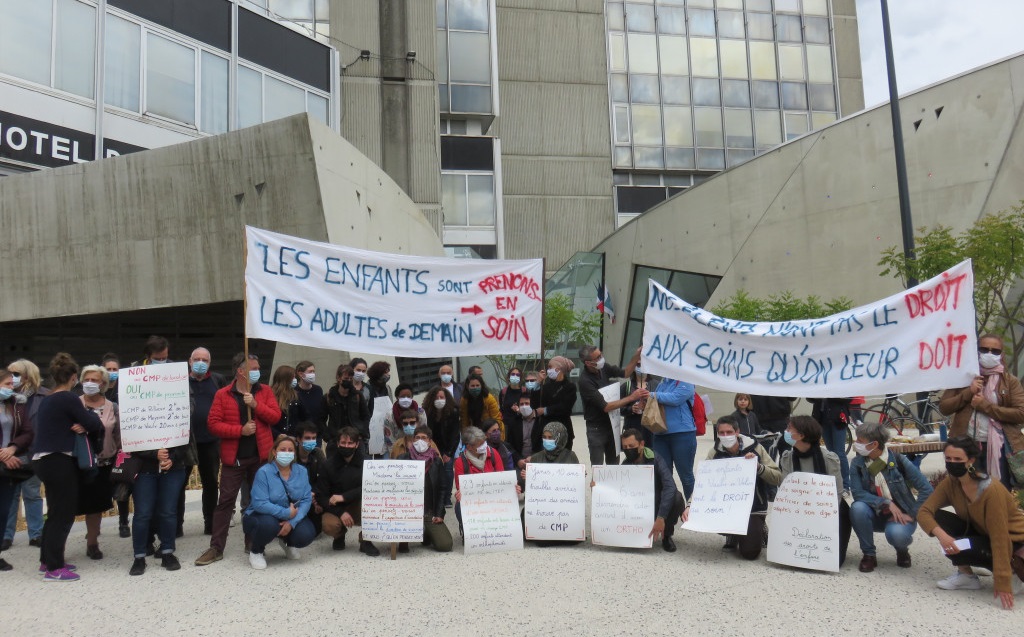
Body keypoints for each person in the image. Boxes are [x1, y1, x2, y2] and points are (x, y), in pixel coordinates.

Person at [917, 436, 1024, 609]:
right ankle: (966, 576)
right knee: (939, 519)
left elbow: (1000, 538)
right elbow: (924, 511)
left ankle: (1013, 573)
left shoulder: (990, 490)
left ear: (971, 460)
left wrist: (1002, 582)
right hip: (983, 534)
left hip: (1014, 541)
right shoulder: (951, 483)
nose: (952, 463)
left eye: (958, 459)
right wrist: (943, 536)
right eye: (948, 458)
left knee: (972, 546)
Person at [195, 352, 281, 566]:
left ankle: (252, 541)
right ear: (240, 371)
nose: (257, 371)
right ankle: (216, 547)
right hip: (235, 459)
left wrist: (256, 406)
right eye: (253, 368)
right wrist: (239, 431)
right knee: (225, 502)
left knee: (256, 502)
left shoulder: (265, 391)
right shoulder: (223, 394)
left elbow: (275, 416)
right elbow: (213, 424)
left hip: (260, 458)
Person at [32, 353, 103, 581]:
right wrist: (84, 423)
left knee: (54, 512)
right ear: (74, 377)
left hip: (43, 460)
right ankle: (54, 568)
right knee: (63, 514)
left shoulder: (48, 399)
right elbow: (93, 423)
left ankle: (47, 560)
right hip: (59, 460)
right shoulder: (69, 398)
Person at [939, 333, 1024, 488]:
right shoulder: (963, 377)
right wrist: (968, 392)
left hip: (1000, 448)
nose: (989, 354)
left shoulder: (1010, 381)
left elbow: (1020, 414)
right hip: (967, 446)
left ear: (1001, 354)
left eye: (995, 351)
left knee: (998, 491)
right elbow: (944, 407)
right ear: (976, 351)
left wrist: (985, 406)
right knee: (969, 490)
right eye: (984, 349)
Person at [690, 416, 781, 559]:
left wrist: (758, 467)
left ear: (737, 432)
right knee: (702, 516)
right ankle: (732, 534)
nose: (725, 436)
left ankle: (759, 527)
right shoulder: (714, 453)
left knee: (750, 553)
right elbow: (703, 483)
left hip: (753, 508)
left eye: (729, 432)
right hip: (726, 506)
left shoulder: (756, 448)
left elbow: (776, 477)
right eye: (722, 433)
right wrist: (690, 505)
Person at [849, 421, 933, 573]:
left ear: (874, 444)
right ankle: (869, 554)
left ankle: (902, 550)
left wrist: (913, 514)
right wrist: (885, 502)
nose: (856, 444)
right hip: (874, 512)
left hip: (900, 516)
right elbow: (857, 493)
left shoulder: (899, 460)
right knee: (857, 507)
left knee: (897, 535)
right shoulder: (857, 463)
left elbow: (926, 489)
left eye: (860, 441)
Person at [778, 415, 851, 566]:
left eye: (789, 429)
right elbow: (785, 490)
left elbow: (836, 492)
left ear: (802, 435)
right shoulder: (787, 458)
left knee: (834, 561)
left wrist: (818, 514)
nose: (785, 432)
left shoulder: (829, 459)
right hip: (797, 510)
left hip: (827, 512)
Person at [241, 436, 316, 570]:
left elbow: (306, 500)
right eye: (282, 449)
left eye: (290, 450)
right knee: (269, 525)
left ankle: (287, 543)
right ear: (275, 452)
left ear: (294, 453)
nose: (286, 453)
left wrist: (292, 523)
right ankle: (256, 551)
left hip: (291, 516)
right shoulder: (263, 472)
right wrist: (286, 513)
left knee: (307, 534)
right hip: (261, 515)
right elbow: (259, 503)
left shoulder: (302, 471)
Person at [127, 427, 192, 576]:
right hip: (144, 469)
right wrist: (153, 454)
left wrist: (172, 458)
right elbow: (129, 440)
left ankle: (167, 552)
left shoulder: (178, 405)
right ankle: (139, 557)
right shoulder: (135, 407)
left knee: (168, 511)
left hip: (173, 469)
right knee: (142, 514)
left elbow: (186, 438)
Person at [615, 428, 685, 552]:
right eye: (625, 447)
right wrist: (598, 486)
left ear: (641, 444)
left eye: (631, 446)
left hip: (657, 502)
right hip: (638, 506)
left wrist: (661, 517)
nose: (628, 449)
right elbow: (616, 488)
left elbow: (670, 486)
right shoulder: (625, 464)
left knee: (676, 497)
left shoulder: (656, 459)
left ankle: (667, 535)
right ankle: (633, 532)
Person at [3, 359, 48, 551]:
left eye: (16, 374)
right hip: (11, 453)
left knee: (32, 494)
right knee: (10, 496)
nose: (12, 378)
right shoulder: (6, 398)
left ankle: (36, 534)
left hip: (35, 453)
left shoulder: (44, 396)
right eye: (10, 374)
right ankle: (6, 535)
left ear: (28, 376)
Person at [578, 345, 647, 466]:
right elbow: (606, 407)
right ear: (588, 363)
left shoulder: (603, 367)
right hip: (596, 428)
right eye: (598, 357)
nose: (602, 358)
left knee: (614, 463)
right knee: (597, 465)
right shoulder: (585, 381)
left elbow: (625, 373)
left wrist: (636, 356)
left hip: (612, 424)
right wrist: (631, 397)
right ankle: (597, 484)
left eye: (601, 354)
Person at [78, 365, 120, 560]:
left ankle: (92, 543)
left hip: (104, 464)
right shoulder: (74, 404)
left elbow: (118, 433)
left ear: (103, 383)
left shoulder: (112, 406)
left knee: (96, 506)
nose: (90, 383)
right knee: (70, 504)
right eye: (87, 379)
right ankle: (57, 545)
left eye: (95, 380)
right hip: (78, 464)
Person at [316, 426, 379, 556]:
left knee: (376, 507)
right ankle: (339, 535)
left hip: (358, 504)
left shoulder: (368, 463)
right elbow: (321, 496)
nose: (346, 446)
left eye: (350, 443)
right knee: (329, 525)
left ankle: (366, 540)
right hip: (336, 508)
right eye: (343, 443)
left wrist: (344, 497)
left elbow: (373, 488)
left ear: (357, 444)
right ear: (338, 444)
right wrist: (340, 512)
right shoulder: (328, 465)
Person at [188, 347, 229, 536]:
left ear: (210, 363)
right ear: (190, 361)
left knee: (211, 483)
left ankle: (210, 522)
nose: (200, 363)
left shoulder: (217, 380)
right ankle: (177, 524)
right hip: (185, 441)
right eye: (197, 359)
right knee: (179, 484)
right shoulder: (179, 381)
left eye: (205, 360)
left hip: (211, 440)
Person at [396, 424, 453, 553]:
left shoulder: (437, 461)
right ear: (413, 440)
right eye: (417, 438)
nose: (420, 441)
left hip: (429, 511)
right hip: (407, 512)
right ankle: (406, 536)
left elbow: (442, 489)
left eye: (424, 438)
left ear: (430, 442)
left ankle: (426, 532)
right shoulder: (402, 459)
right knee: (403, 549)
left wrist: (439, 514)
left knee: (445, 545)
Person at [0, 369, 33, 571]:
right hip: (3, 459)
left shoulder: (17, 405)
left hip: (9, 464)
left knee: (3, 510)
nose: (11, 388)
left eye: (12, 384)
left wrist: (12, 449)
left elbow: (28, 432)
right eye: (6, 384)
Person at [650, 376, 697, 501]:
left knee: (686, 476)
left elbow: (675, 398)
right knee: (663, 476)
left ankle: (692, 509)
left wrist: (650, 395)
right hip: (660, 434)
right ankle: (666, 512)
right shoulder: (662, 383)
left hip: (683, 434)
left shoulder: (686, 380)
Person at [454, 426, 506, 537]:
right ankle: (467, 529)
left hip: (494, 498)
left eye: (484, 442)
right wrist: (460, 494)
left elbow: (502, 478)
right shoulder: (460, 462)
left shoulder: (493, 454)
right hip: (474, 501)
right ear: (469, 447)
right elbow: (460, 486)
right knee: (459, 506)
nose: (484, 446)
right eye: (480, 444)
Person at [423, 385, 459, 508]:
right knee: (433, 471)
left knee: (448, 470)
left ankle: (446, 497)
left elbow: (455, 434)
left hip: (447, 446)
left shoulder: (453, 412)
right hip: (431, 446)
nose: (439, 399)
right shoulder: (426, 412)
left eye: (442, 397)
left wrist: (449, 453)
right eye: (437, 397)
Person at [809, 397, 854, 493]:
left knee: (839, 452)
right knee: (830, 453)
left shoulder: (839, 383)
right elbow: (810, 399)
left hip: (838, 418)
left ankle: (845, 485)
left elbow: (849, 398)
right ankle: (833, 482)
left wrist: (830, 393)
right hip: (821, 418)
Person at [319, 364, 369, 448]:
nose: (348, 381)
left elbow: (366, 416)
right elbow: (321, 419)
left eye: (350, 379)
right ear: (338, 378)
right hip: (335, 440)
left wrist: (362, 433)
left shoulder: (357, 396)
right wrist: (328, 437)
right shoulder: (329, 397)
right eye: (346, 379)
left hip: (355, 439)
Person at [535, 357, 578, 449]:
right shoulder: (545, 386)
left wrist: (546, 410)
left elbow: (565, 407)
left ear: (559, 369)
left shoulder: (570, 387)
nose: (548, 370)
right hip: (546, 430)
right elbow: (535, 404)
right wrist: (538, 383)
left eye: (550, 367)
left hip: (563, 428)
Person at [294, 422, 325, 536]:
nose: (311, 441)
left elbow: (324, 479)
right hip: (295, 498)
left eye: (313, 438)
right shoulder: (290, 455)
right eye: (307, 438)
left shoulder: (318, 454)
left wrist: (315, 495)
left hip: (313, 497)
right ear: (298, 439)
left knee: (316, 531)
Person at [270, 365, 307, 438]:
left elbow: (305, 417)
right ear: (285, 379)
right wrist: (277, 435)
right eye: (293, 377)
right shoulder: (270, 395)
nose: (295, 380)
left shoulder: (296, 395)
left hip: (293, 438)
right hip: (274, 438)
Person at [507, 392, 539, 462]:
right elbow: (509, 446)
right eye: (521, 404)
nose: (524, 406)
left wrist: (535, 457)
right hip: (520, 462)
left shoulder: (540, 421)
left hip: (538, 461)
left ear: (532, 404)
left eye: (527, 403)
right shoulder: (514, 422)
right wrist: (518, 460)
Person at [294, 360, 324, 426]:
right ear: (300, 374)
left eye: (313, 371)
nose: (313, 374)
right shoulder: (294, 392)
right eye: (310, 372)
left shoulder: (318, 389)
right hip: (302, 431)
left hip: (318, 430)